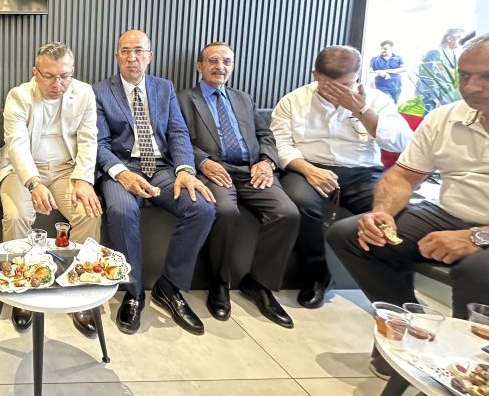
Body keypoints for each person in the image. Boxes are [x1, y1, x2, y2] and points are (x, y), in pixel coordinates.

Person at [328, 34, 489, 319]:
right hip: (448, 213)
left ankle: (467, 346)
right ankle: (409, 323)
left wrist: (478, 236)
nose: (470, 87)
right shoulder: (444, 117)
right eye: (464, 75)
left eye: (486, 77)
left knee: (477, 271)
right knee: (353, 236)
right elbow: (403, 176)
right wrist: (381, 213)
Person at [270, 45, 412, 309]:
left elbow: (401, 142)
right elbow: (279, 144)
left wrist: (361, 110)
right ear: (315, 74)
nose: (338, 92)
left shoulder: (376, 99)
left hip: (362, 172)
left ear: (357, 76)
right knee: (300, 201)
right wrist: (308, 169)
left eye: (346, 85)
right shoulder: (293, 100)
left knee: (397, 211)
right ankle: (316, 274)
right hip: (309, 167)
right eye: (328, 85)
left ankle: (397, 290)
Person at [94, 30, 215, 336]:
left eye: (139, 51)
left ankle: (169, 287)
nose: (132, 57)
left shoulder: (164, 88)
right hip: (123, 167)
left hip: (162, 167)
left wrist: (185, 170)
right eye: (125, 51)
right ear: (117, 57)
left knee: (202, 207)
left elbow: (178, 133)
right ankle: (133, 293)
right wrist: (121, 173)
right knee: (122, 212)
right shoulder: (99, 91)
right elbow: (99, 143)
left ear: (150, 56)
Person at [177, 42, 299, 328]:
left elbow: (265, 134)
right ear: (199, 66)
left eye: (227, 62)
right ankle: (219, 282)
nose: (220, 67)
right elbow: (176, 138)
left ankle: (259, 284)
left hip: (253, 170)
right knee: (224, 211)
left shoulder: (243, 98)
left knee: (287, 213)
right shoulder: (183, 99)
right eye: (213, 61)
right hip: (215, 170)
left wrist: (266, 161)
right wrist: (203, 162)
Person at [0, 41, 102, 334]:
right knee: (16, 216)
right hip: (22, 170)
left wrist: (84, 179)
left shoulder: (84, 93)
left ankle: (78, 288)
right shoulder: (18, 96)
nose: (58, 84)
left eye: (65, 76)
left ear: (73, 71)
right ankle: (22, 288)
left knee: (89, 213)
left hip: (67, 169)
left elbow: (89, 139)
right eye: (49, 76)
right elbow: (16, 145)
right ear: (35, 72)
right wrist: (33, 183)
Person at [417, 28, 466, 112]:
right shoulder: (434, 52)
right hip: (432, 98)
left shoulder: (451, 52)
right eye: (460, 39)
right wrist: (434, 98)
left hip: (445, 96)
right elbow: (426, 76)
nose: (462, 43)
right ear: (449, 39)